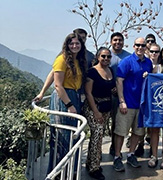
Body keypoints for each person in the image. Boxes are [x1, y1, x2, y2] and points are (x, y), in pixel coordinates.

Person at [47, 33, 87, 175]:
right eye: (72, 44)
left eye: (77, 43)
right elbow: (57, 85)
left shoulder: (78, 60)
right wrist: (69, 105)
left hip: (74, 96)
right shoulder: (62, 59)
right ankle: (58, 173)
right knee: (62, 136)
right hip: (63, 99)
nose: (74, 46)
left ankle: (70, 171)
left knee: (72, 136)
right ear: (67, 45)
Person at [113, 37, 153, 172]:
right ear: (134, 46)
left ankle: (131, 154)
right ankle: (117, 157)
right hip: (127, 103)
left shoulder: (148, 63)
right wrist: (122, 101)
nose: (140, 47)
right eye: (138, 45)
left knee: (138, 132)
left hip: (141, 105)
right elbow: (119, 82)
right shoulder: (126, 62)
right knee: (120, 132)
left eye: (143, 45)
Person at [33, 28, 94, 102]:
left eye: (83, 38)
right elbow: (53, 74)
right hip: (64, 95)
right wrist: (42, 93)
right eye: (79, 38)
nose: (81, 40)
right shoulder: (63, 56)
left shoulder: (89, 56)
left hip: (80, 94)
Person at [83, 47, 116, 180]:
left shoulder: (111, 70)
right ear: (98, 57)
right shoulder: (92, 72)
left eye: (108, 57)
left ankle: (91, 162)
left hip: (106, 106)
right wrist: (95, 112)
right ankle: (94, 168)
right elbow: (88, 92)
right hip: (94, 107)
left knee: (99, 136)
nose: (106, 59)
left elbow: (111, 87)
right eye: (103, 56)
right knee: (97, 135)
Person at [108, 32, 131, 156]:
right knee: (104, 122)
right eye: (115, 40)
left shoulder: (128, 56)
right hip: (106, 94)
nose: (118, 42)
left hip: (122, 95)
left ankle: (115, 147)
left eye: (120, 40)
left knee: (118, 123)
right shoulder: (106, 55)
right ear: (111, 41)